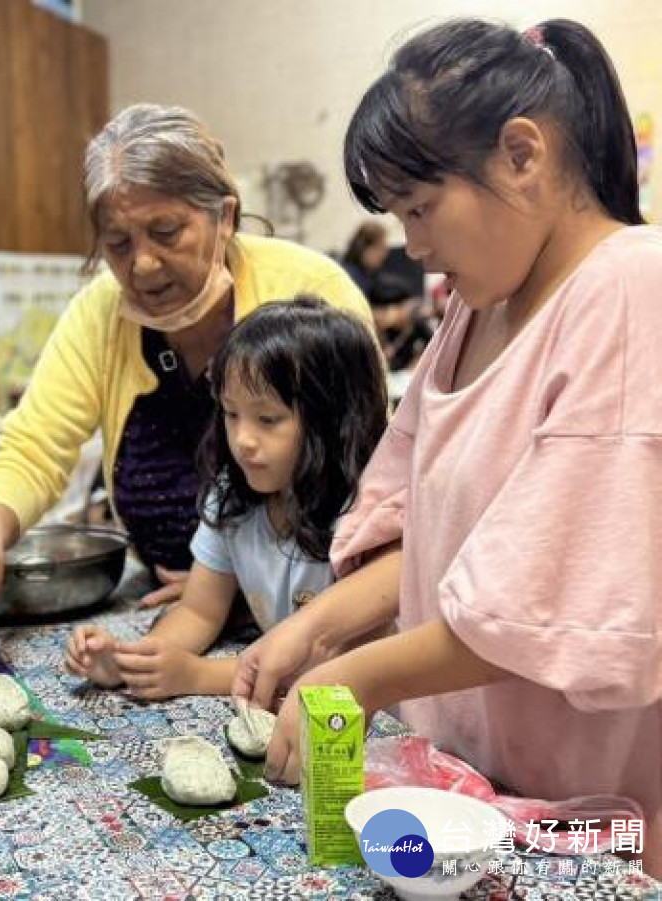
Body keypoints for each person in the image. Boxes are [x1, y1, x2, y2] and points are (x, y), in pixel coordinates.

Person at [232, 18, 662, 875]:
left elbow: (542, 599)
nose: (413, 245)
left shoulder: (630, 288)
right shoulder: (474, 307)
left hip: (578, 813)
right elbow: (432, 536)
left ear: (522, 154)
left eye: (422, 208)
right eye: (398, 215)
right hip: (469, 786)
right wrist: (316, 629)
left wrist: (353, 679)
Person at [0, 103, 372, 643]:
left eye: (167, 232)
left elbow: (364, 465)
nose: (143, 266)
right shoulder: (100, 314)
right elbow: (36, 442)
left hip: (315, 617)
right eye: (118, 244)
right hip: (175, 608)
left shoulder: (309, 290)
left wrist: (235, 581)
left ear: (225, 217)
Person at [65, 298, 387, 699]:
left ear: (335, 419)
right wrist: (132, 661)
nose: (243, 440)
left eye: (267, 419)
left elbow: (337, 662)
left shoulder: (365, 516)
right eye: (231, 414)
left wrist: (198, 676)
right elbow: (199, 611)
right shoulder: (232, 495)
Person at [342, 220, 433, 370]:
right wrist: (395, 314)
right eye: (381, 249)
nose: (384, 256)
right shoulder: (352, 276)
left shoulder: (367, 275)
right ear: (367, 248)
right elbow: (354, 315)